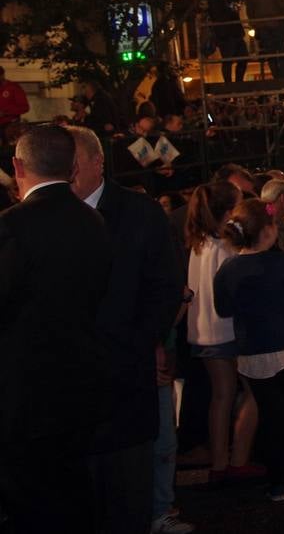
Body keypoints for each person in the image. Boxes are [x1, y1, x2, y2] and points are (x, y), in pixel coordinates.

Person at [67, 125, 184, 533]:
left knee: (127, 497)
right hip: (68, 396)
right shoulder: (45, 218)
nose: (65, 175)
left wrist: (139, 345)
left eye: (73, 165)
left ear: (97, 163)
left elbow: (164, 289)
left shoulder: (140, 214)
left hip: (127, 385)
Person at [0, 125, 113, 533]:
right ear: (71, 168)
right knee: (73, 489)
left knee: (30, 501)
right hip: (80, 379)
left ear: (17, 166)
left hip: (22, 392)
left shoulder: (12, 226)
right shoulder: (93, 222)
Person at [214, 198, 284, 502]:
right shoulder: (279, 264)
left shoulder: (228, 268)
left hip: (250, 354)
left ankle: (276, 481)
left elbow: (222, 308)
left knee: (269, 417)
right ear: (266, 231)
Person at [185, 180, 263, 482]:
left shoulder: (199, 245)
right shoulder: (226, 248)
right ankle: (239, 457)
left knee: (220, 397)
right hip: (226, 331)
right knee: (251, 393)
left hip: (202, 331)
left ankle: (219, 462)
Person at [207, 0, 249, 84]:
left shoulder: (229, 1)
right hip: (225, 36)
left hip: (235, 34)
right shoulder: (215, 2)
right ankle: (229, 84)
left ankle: (238, 82)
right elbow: (221, 17)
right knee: (228, 60)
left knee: (243, 58)